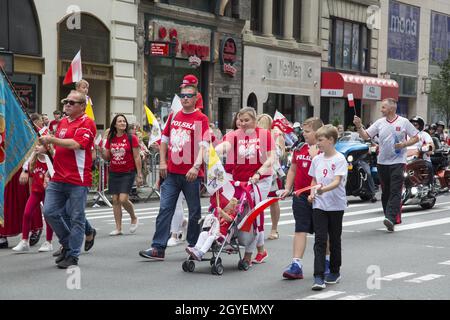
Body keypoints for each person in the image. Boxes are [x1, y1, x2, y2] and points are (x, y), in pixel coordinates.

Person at [138, 83, 210, 261]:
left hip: (191, 174)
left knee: (194, 211)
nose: (185, 98)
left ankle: (193, 246)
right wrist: (162, 162)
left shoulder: (201, 118)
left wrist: (196, 166)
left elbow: (204, 145)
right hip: (171, 172)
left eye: (188, 95)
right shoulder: (173, 116)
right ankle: (158, 248)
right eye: (182, 95)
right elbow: (164, 140)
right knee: (164, 209)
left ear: (195, 98)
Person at [39, 90, 97, 269]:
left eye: (72, 102)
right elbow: (60, 149)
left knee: (76, 217)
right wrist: (47, 152)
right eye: (66, 101)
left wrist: (52, 139)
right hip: (58, 176)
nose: (67, 104)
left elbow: (76, 144)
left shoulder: (87, 123)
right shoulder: (63, 122)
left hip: (77, 179)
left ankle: (72, 255)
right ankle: (67, 243)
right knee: (49, 212)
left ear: (81, 106)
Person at [216, 107, 274, 265]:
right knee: (239, 211)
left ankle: (249, 254)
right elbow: (225, 146)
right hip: (241, 179)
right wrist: (213, 151)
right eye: (240, 120)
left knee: (251, 213)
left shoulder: (264, 134)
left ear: (255, 121)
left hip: (260, 179)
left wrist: (259, 173)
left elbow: (270, 158)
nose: (243, 123)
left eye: (247, 120)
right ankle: (261, 250)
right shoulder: (234, 134)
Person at [354, 98, 419, 232]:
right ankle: (390, 217)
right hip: (382, 162)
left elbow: (416, 137)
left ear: (392, 108)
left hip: (398, 162)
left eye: (383, 107)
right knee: (386, 193)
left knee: (395, 190)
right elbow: (366, 136)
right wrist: (359, 126)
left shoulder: (404, 122)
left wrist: (404, 144)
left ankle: (390, 218)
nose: (381, 109)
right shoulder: (379, 122)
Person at [280, 117, 326, 280]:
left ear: (318, 132)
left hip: (320, 196)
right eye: (304, 131)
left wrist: (315, 157)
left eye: (308, 131)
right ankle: (296, 264)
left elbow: (325, 173)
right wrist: (287, 188)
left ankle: (326, 262)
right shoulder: (299, 148)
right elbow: (293, 170)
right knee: (300, 229)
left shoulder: (324, 150)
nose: (304, 134)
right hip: (300, 195)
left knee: (322, 232)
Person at [308, 125, 348, 291]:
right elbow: (313, 181)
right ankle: (318, 276)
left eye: (321, 140)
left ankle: (334, 270)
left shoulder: (340, 159)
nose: (318, 143)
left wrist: (323, 189)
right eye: (317, 140)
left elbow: (337, 181)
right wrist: (312, 193)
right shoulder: (317, 159)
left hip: (336, 205)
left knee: (335, 238)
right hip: (319, 205)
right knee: (320, 240)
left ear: (331, 140)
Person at [101, 114, 141, 235]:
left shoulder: (131, 138)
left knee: (123, 199)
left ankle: (133, 217)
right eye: (120, 121)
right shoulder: (111, 139)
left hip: (128, 172)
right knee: (115, 200)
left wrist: (139, 174)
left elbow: (137, 156)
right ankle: (118, 228)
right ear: (115, 124)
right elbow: (107, 157)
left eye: (124, 121)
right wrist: (101, 149)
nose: (123, 123)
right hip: (114, 172)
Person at [13, 140, 54, 253]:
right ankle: (24, 241)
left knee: (48, 216)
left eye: (40, 145)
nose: (37, 147)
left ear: (47, 147)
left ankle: (49, 242)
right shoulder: (33, 160)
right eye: (37, 144)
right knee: (26, 213)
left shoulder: (51, 161)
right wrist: (31, 193)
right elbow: (31, 178)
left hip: (48, 193)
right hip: (36, 192)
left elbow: (55, 178)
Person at [256, 114, 285, 240]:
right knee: (257, 201)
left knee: (273, 201)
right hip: (256, 171)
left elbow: (280, 153)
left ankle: (274, 229)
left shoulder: (276, 134)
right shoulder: (253, 135)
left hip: (272, 173)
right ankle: (257, 228)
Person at [409, 116, 434, 185]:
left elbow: (430, 145)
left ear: (420, 126)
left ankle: (430, 187)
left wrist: (427, 148)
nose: (413, 126)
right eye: (411, 124)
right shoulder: (405, 135)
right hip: (406, 160)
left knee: (428, 166)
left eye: (415, 125)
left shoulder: (424, 135)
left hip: (422, 159)